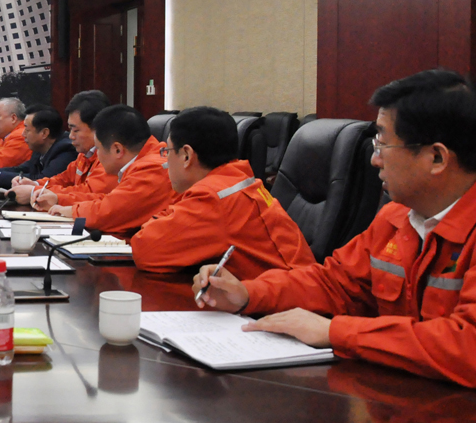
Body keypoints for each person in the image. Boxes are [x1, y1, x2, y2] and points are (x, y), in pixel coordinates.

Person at [193, 70, 476, 387]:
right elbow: (334, 283)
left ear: (436, 158)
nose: (375, 160)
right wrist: (247, 293)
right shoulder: (396, 218)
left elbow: (467, 346)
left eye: (383, 144)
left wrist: (334, 332)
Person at [130, 106, 315, 277]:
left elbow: (144, 250)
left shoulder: (215, 198)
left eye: (168, 151)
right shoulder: (235, 180)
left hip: (289, 297)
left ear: (186, 155)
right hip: (291, 287)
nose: (166, 159)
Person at [33, 104, 173, 238]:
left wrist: (69, 210)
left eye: (98, 149)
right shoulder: (143, 161)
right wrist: (60, 200)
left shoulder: (153, 168)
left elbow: (110, 212)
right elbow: (110, 200)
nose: (96, 155)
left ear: (117, 150)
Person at [9, 90, 116, 204]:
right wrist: (35, 184)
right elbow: (63, 179)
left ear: (98, 129)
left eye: (76, 130)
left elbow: (88, 193)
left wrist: (36, 191)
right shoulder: (85, 154)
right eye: (70, 129)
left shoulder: (111, 158)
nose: (71, 136)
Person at [0, 106, 76, 188]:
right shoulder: (39, 147)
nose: (23, 134)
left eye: (27, 130)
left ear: (44, 133)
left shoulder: (66, 150)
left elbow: (42, 179)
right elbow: (23, 169)